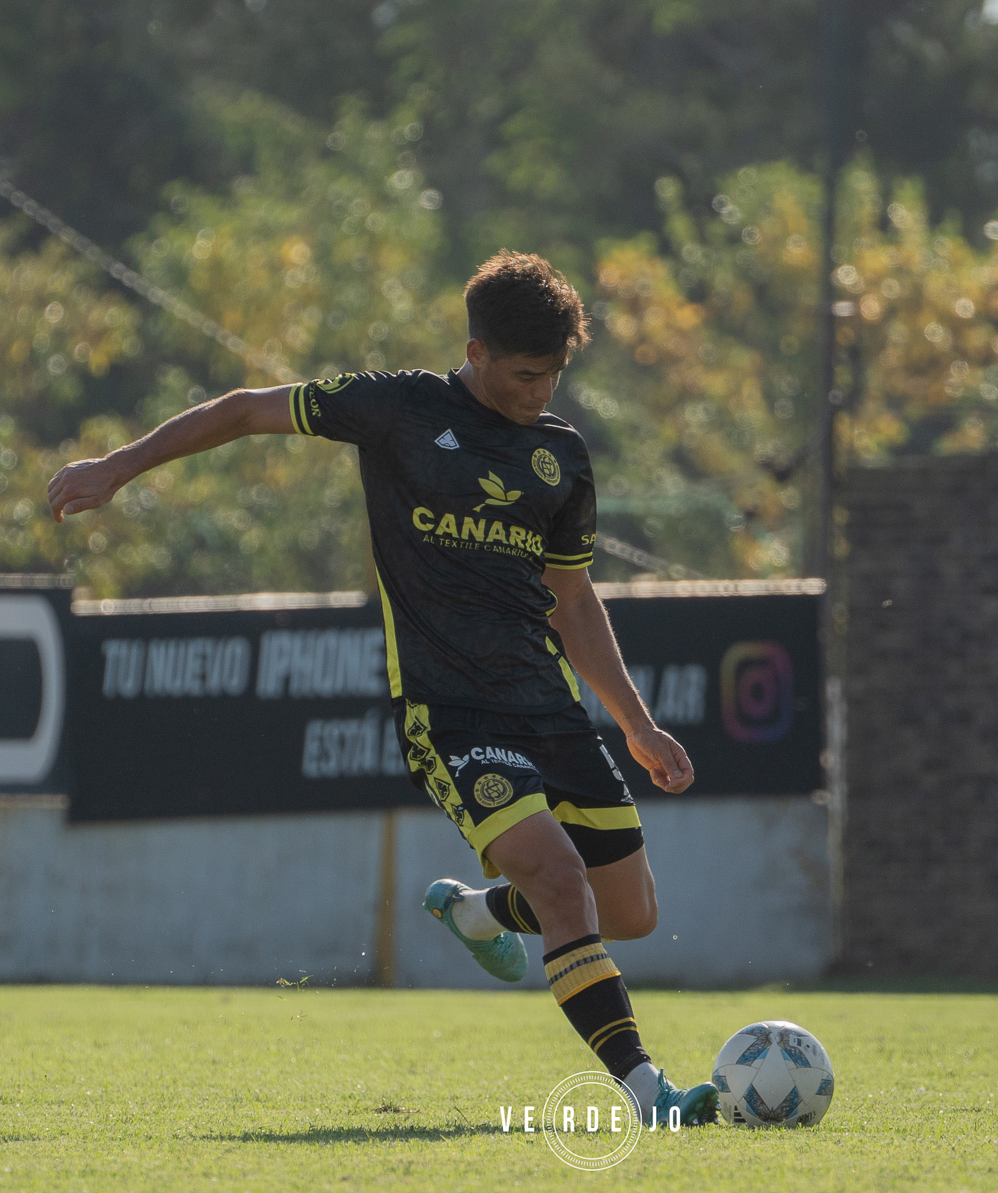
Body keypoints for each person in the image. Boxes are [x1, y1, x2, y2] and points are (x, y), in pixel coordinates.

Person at [46, 250, 719, 1125]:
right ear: (476, 352)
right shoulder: (398, 408)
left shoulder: (561, 455)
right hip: (450, 710)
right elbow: (247, 410)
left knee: (626, 910)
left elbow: (572, 597)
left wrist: (636, 723)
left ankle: (480, 915)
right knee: (560, 880)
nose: (542, 391)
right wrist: (116, 467)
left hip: (549, 708)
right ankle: (646, 1091)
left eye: (555, 373)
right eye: (525, 373)